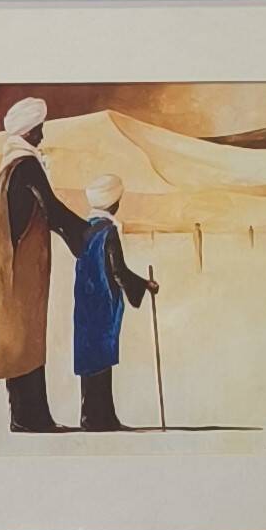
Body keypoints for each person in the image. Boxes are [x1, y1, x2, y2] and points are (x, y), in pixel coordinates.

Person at [0, 97, 85, 433]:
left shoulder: (8, 167)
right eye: (39, 130)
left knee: (17, 339)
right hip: (23, 270)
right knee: (26, 340)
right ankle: (31, 418)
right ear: (28, 131)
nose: (42, 136)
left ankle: (24, 415)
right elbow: (52, 209)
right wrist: (88, 235)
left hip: (10, 267)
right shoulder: (26, 166)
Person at [68, 175, 159, 431]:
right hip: (102, 301)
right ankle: (100, 419)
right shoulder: (108, 231)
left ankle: (93, 416)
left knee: (90, 356)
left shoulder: (84, 229)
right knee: (101, 355)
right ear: (113, 203)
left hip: (84, 302)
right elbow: (118, 271)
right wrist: (145, 285)